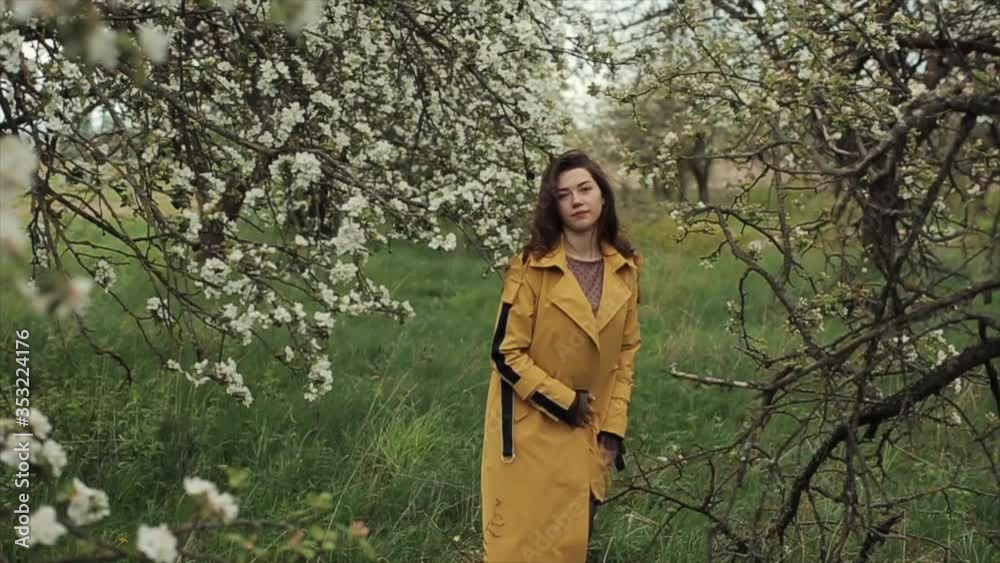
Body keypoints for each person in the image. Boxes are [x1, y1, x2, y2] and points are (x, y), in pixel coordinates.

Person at [480, 149, 643, 562]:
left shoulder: (626, 269)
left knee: (570, 546)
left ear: (602, 195)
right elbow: (505, 353)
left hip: (590, 433)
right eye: (564, 194)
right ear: (553, 206)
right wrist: (565, 401)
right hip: (531, 433)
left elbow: (626, 354)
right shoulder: (530, 267)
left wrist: (614, 429)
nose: (577, 200)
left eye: (585, 189)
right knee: (521, 551)